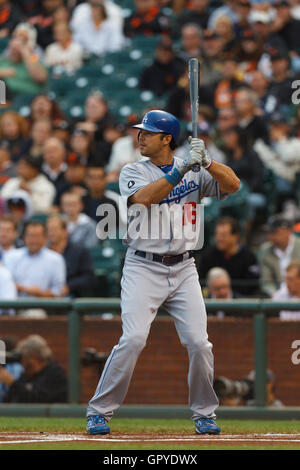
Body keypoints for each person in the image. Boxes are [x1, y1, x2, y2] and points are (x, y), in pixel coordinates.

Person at [86, 109, 240, 436]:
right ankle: (99, 411)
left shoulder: (195, 171)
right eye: (140, 132)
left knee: (200, 343)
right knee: (133, 339)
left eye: (148, 133)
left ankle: (204, 414)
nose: (140, 137)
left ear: (166, 139)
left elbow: (234, 185)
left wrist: (208, 163)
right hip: (143, 265)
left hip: (184, 267)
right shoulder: (133, 170)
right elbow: (142, 199)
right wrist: (181, 169)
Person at [197, 216, 261, 296]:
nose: (219, 238)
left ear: (235, 236)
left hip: (241, 303)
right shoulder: (208, 255)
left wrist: (230, 294)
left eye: (223, 235)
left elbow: (252, 285)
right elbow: (200, 282)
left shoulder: (249, 257)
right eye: (217, 234)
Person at [4, 221, 66, 300]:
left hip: (44, 306)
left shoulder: (56, 259)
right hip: (13, 305)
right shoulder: (11, 256)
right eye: (30, 236)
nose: (33, 240)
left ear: (45, 238)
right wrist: (24, 289)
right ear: (24, 238)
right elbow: (5, 284)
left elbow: (58, 291)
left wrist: (39, 293)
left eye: (37, 236)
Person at [0, 335, 68, 403]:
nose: (22, 363)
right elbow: (11, 400)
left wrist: (12, 384)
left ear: (33, 357)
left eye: (24, 357)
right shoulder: (26, 376)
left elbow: (38, 399)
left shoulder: (55, 374)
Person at [47, 215, 96, 297]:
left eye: (54, 229)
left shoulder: (79, 251)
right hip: (45, 295)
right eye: (49, 230)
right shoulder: (44, 252)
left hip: (71, 297)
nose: (51, 233)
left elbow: (89, 278)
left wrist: (69, 287)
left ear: (65, 231)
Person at [258, 215, 300, 297]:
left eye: (274, 232)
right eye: (269, 232)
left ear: (287, 231)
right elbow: (266, 281)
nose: (270, 236)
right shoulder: (265, 250)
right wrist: (276, 296)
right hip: (277, 297)